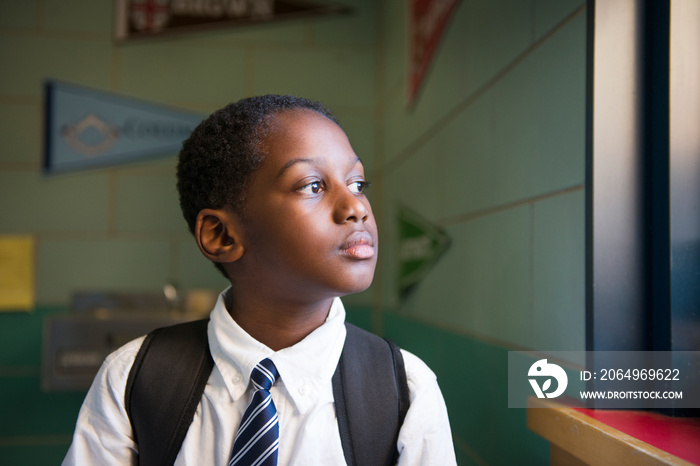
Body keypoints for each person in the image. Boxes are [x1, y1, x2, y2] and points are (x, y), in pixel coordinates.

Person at [63, 95, 457, 465]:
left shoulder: (406, 390)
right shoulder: (133, 378)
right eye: (312, 186)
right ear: (221, 236)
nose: (356, 206)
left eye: (357, 183)